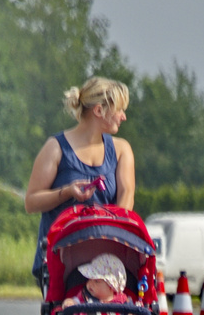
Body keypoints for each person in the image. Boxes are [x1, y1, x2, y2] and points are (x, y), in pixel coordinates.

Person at [24, 76, 136, 292]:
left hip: (105, 258)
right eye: (120, 110)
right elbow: (31, 202)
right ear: (99, 111)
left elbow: (126, 199)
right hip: (61, 259)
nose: (124, 116)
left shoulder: (122, 150)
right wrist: (67, 192)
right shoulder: (56, 148)